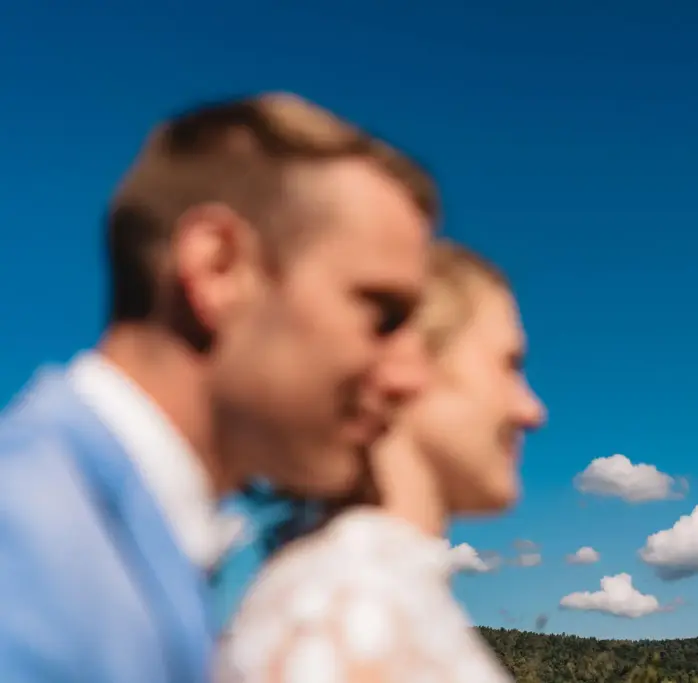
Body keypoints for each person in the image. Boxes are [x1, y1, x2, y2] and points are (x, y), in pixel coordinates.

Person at [0, 93, 438, 683]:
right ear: (218, 268)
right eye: (382, 314)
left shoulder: (119, 540)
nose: (411, 378)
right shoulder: (26, 540)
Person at [216, 240, 547, 683]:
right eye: (508, 366)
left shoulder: (363, 592)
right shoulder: (353, 608)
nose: (531, 411)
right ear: (405, 361)